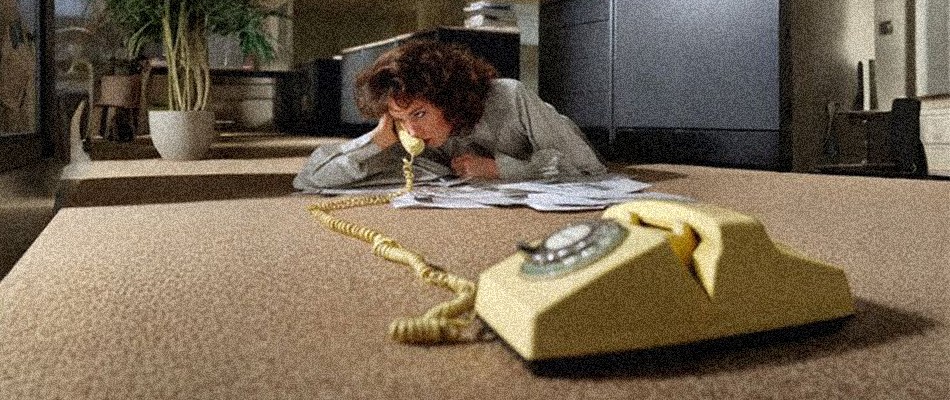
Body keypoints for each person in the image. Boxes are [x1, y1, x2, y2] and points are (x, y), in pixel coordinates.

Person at [293, 40, 607, 191]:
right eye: (400, 119)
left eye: (419, 113)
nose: (411, 130)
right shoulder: (409, 136)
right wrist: (376, 141)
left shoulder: (510, 96)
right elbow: (310, 180)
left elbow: (589, 168)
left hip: (558, 135)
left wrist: (500, 169)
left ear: (447, 99)